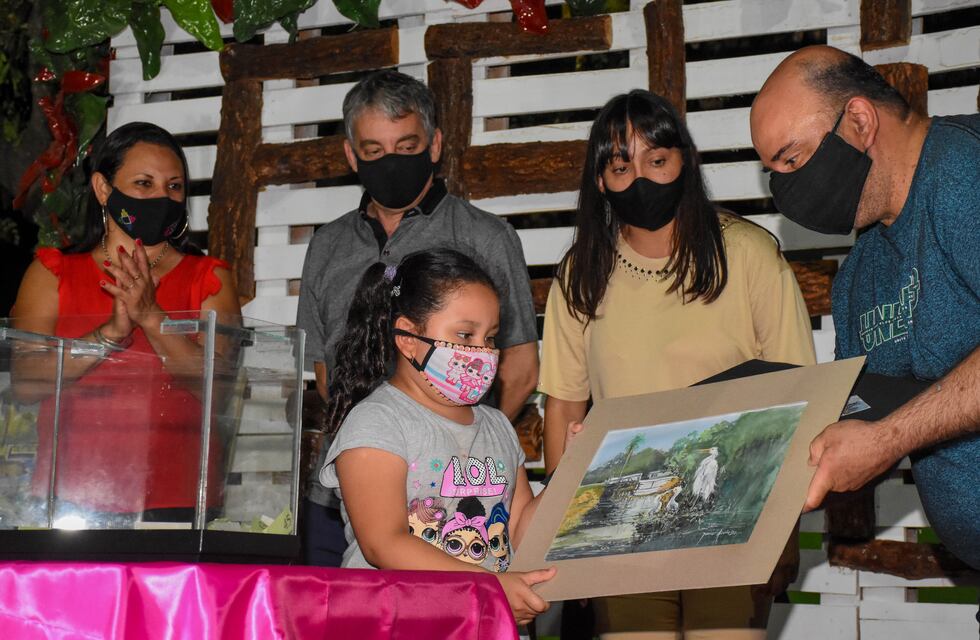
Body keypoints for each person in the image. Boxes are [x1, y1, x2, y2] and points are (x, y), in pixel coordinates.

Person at [540, 90, 816, 639]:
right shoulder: (581, 273)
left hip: (733, 513)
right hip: (622, 525)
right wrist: (563, 532)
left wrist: (781, 523)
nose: (641, 178)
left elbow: (798, 393)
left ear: (684, 161)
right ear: (601, 181)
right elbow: (564, 403)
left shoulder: (750, 254)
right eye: (621, 167)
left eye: (657, 160)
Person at [750, 45, 980, 570]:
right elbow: (858, 420)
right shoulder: (861, 274)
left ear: (858, 119)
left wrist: (886, 439)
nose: (786, 188)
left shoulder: (964, 175)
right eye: (773, 172)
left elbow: (886, 435)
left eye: (792, 158)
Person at [297, 69, 539, 566]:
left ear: (434, 144)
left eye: (406, 146)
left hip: (464, 498)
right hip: (347, 487)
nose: (391, 163)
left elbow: (519, 362)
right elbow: (324, 368)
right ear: (350, 155)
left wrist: (462, 443)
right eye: (373, 150)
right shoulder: (327, 244)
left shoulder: (485, 237)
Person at [318, 248, 579, 626]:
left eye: (489, 338)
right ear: (408, 339)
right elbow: (384, 543)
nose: (482, 352)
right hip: (397, 626)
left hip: (484, 624)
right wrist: (491, 587)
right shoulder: (377, 422)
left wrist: (569, 472)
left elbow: (521, 528)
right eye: (464, 334)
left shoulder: (497, 425)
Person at [10, 121, 241, 522]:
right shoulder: (52, 273)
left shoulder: (209, 278)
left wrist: (152, 318)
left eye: (174, 187)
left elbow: (218, 392)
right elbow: (26, 383)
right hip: (69, 501)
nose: (161, 197)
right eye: (143, 184)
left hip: (178, 502)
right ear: (103, 189)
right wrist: (109, 336)